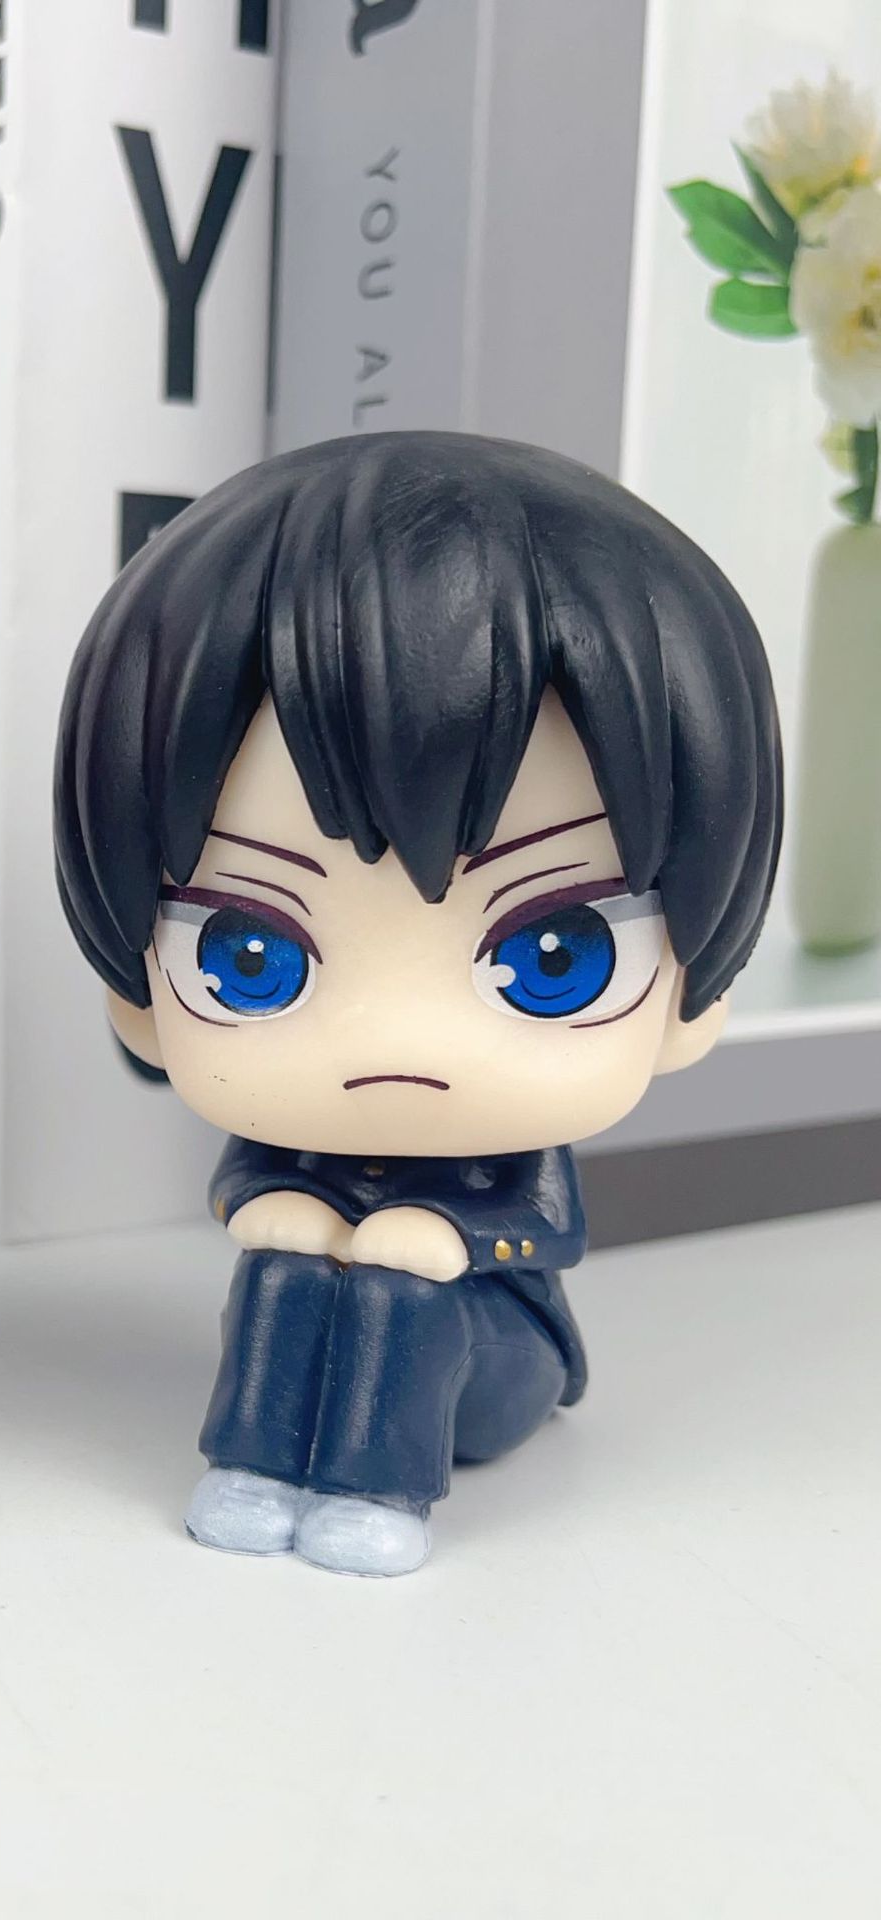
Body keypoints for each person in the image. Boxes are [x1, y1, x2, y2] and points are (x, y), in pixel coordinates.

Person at [53, 431, 781, 1575]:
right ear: (137, 992)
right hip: (323, 1320)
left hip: (490, 1349)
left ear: (693, 993)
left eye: (558, 955)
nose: (396, 1042)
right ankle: (253, 1468)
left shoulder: (508, 1156)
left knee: (399, 1294)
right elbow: (250, 1180)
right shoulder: (294, 1132)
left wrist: (445, 1236)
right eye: (252, 956)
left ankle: (376, 1492)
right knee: (281, 1270)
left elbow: (546, 1227)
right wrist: (273, 1206)